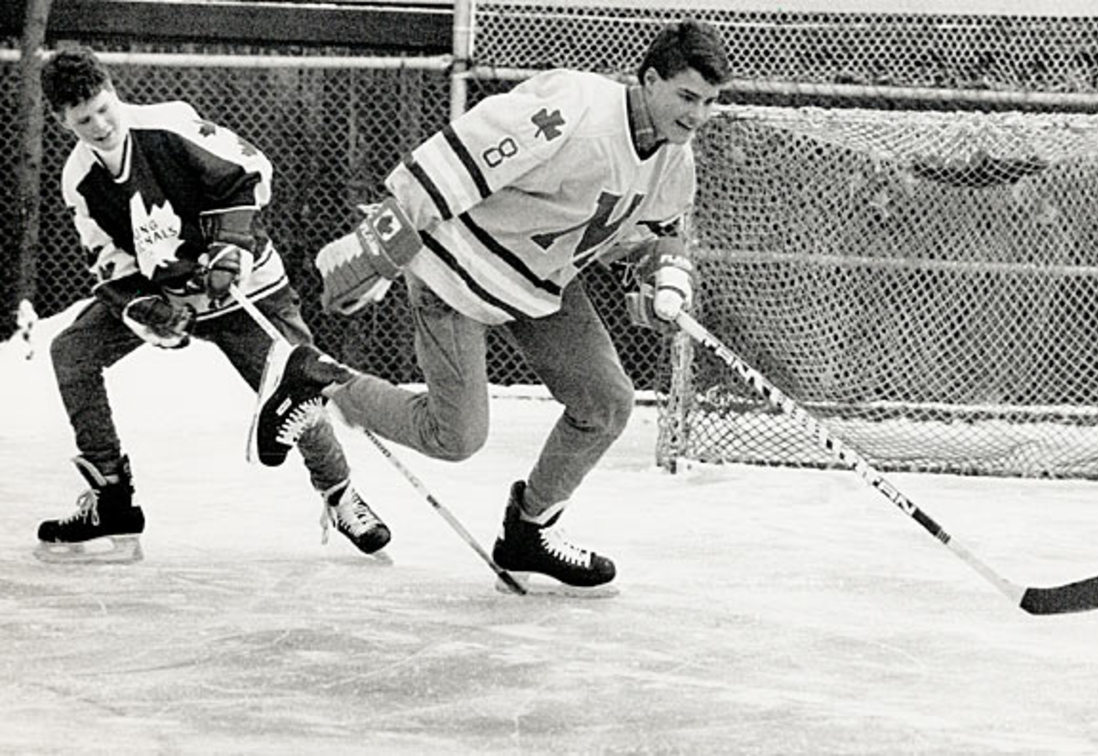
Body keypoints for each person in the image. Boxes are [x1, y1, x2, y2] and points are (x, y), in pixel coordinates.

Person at [249, 20, 732, 593]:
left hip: (540, 285)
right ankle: (318, 379)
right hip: (458, 271)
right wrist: (379, 245)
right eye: (687, 97)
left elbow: (634, 239)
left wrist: (659, 270)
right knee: (455, 437)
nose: (698, 114)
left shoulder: (676, 163)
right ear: (649, 80)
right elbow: (458, 160)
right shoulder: (575, 107)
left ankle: (529, 532)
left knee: (605, 403)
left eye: (709, 102)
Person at [35, 46, 391, 563]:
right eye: (84, 120)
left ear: (112, 91)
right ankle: (110, 497)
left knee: (298, 390)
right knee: (72, 351)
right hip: (172, 295)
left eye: (104, 109)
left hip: (246, 290)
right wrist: (144, 308)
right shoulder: (79, 179)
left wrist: (228, 247)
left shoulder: (168, 125)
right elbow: (107, 258)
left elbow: (247, 170)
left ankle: (341, 496)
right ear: (62, 121)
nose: (101, 125)